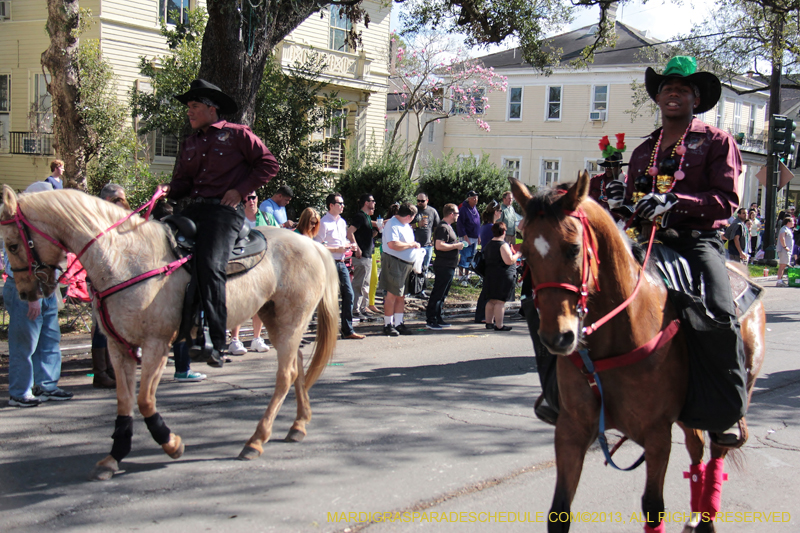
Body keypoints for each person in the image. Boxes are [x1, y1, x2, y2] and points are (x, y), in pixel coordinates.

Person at [607, 55, 746, 443]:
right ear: (658, 97)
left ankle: (726, 410)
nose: (673, 94)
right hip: (647, 243)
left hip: (698, 243)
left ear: (695, 98)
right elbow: (634, 205)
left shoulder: (717, 142)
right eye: (667, 88)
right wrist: (620, 203)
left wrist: (676, 202)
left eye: (682, 89)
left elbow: (727, 201)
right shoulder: (643, 151)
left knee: (720, 313)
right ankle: (579, 396)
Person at [159, 79, 279, 367]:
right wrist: (168, 189)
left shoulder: (237, 134)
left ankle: (214, 340)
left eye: (194, 106)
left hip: (224, 213)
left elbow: (269, 164)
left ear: (211, 109)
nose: (189, 111)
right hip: (194, 210)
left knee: (210, 264)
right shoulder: (190, 142)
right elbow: (183, 183)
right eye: (188, 107)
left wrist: (240, 191)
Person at [5, 182, 73, 407]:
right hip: (26, 289)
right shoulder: (19, 227)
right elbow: (21, 264)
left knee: (49, 339)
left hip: (46, 289)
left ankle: (46, 385)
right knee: (25, 343)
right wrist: (33, 296)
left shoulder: (43, 226)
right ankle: (20, 392)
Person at [228, 191, 278, 355]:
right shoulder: (236, 218)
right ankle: (235, 340)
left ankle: (257, 338)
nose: (251, 201)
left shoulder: (267, 218)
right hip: (241, 265)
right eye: (247, 198)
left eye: (253, 197)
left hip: (262, 265)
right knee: (240, 301)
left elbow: (277, 236)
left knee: (260, 302)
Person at [314, 193, 365, 340]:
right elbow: (317, 245)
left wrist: (350, 245)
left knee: (349, 294)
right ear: (331, 205)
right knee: (328, 298)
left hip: (341, 263)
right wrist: (337, 249)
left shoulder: (342, 222)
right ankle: (326, 331)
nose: (343, 206)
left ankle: (347, 330)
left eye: (343, 203)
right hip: (328, 263)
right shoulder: (323, 223)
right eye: (339, 203)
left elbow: (342, 241)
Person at [379, 202, 420, 336]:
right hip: (394, 262)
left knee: (401, 295)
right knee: (391, 294)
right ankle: (388, 324)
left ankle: (399, 323)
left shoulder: (405, 225)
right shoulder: (392, 224)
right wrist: (411, 245)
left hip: (405, 264)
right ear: (409, 216)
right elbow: (393, 244)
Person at [425, 204, 464, 330]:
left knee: (443, 294)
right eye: (457, 213)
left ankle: (438, 316)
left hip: (450, 265)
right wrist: (456, 246)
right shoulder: (442, 227)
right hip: (443, 265)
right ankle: (431, 319)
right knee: (438, 292)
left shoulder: (448, 227)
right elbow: (439, 245)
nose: (458, 215)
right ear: (451, 214)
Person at [482, 222, 521, 332]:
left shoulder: (489, 244)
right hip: (502, 276)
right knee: (500, 302)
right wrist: (518, 254)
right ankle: (499, 325)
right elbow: (509, 260)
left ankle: (489, 322)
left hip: (490, 275)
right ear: (504, 232)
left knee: (491, 301)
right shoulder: (502, 245)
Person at [347, 194, 378, 318]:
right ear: (366, 202)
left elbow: (365, 235)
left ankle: (363, 307)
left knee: (365, 284)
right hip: (361, 256)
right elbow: (350, 232)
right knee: (359, 284)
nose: (374, 203)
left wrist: (375, 232)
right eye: (372, 201)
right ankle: (355, 309)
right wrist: (357, 248)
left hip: (368, 255)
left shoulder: (367, 218)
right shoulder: (360, 216)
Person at [411, 192, 440, 296]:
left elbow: (437, 227)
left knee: (424, 269)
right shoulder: (413, 211)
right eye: (418, 201)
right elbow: (406, 225)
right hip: (414, 245)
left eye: (422, 201)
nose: (420, 203)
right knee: (412, 268)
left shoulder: (432, 211)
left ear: (427, 201)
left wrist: (434, 240)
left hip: (427, 245)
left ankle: (421, 290)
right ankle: (411, 289)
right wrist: (418, 224)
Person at [456, 191, 480, 282]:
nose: (476, 199)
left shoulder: (474, 209)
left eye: (476, 197)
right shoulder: (463, 209)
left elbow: (477, 223)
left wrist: (479, 235)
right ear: (469, 199)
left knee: (471, 257)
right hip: (466, 237)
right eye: (473, 198)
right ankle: (460, 277)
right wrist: (465, 236)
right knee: (464, 256)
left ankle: (467, 276)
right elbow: (460, 224)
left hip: (474, 237)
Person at [776, 217, 795, 287]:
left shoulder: (788, 229)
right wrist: (785, 246)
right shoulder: (784, 229)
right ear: (788, 222)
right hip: (784, 251)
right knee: (782, 265)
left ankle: (780, 280)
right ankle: (779, 281)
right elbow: (782, 237)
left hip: (787, 251)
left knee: (783, 266)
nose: (793, 223)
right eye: (792, 221)